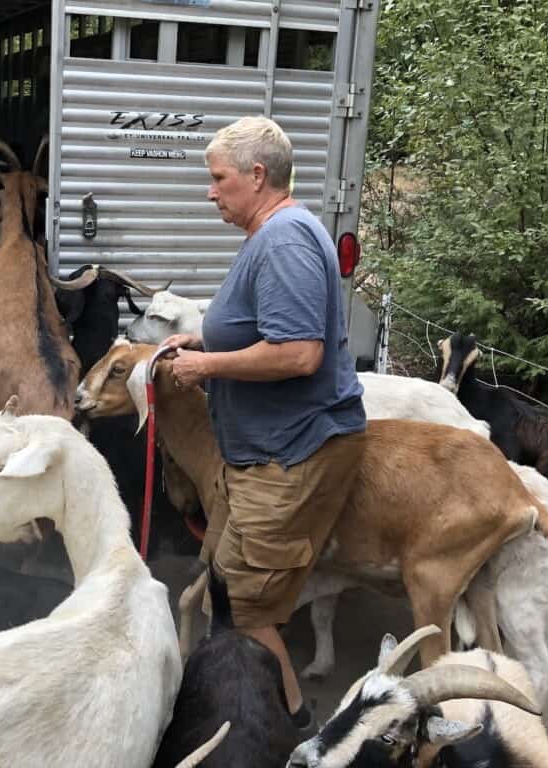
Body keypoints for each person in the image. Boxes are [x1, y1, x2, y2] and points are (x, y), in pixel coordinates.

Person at [164, 116, 366, 731]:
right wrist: (205, 334)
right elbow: (267, 326)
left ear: (257, 176)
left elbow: (300, 352)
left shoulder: (282, 241)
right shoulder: (275, 234)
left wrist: (207, 364)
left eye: (217, 179)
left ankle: (294, 724)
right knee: (231, 585)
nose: (210, 192)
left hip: (290, 452)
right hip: (271, 449)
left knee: (247, 609)